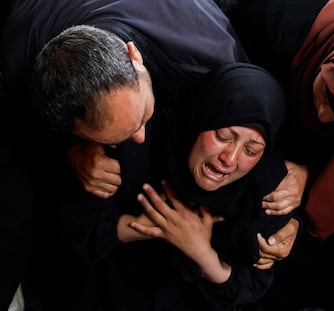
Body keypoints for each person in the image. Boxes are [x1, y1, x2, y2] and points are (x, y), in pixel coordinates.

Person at [0, 0, 260, 309]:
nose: (140, 136)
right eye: (118, 136)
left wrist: (291, 180)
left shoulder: (214, 59)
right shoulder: (18, 63)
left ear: (134, 56)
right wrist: (74, 151)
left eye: (143, 116)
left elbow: (256, 122)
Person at [38, 61, 294, 309]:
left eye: (251, 150)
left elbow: (251, 287)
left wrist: (201, 251)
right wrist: (154, 225)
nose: (229, 159)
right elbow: (72, 230)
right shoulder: (135, 138)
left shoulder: (266, 194)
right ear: (200, 117)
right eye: (222, 136)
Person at [214, 0, 334, 310]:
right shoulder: (279, 18)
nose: (321, 115)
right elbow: (224, 101)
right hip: (265, 128)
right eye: (327, 93)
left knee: (322, 273)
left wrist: (311, 184)